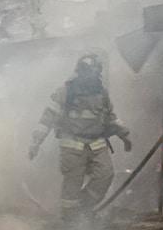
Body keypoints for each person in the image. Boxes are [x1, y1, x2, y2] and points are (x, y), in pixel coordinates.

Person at [30, 54, 132, 218]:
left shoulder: (102, 93)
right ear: (79, 72)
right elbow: (48, 118)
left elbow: (110, 117)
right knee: (72, 183)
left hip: (97, 144)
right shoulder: (66, 92)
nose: (91, 76)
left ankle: (83, 209)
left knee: (105, 175)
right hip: (72, 145)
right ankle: (69, 220)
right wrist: (36, 142)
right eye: (87, 72)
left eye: (94, 72)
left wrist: (124, 136)